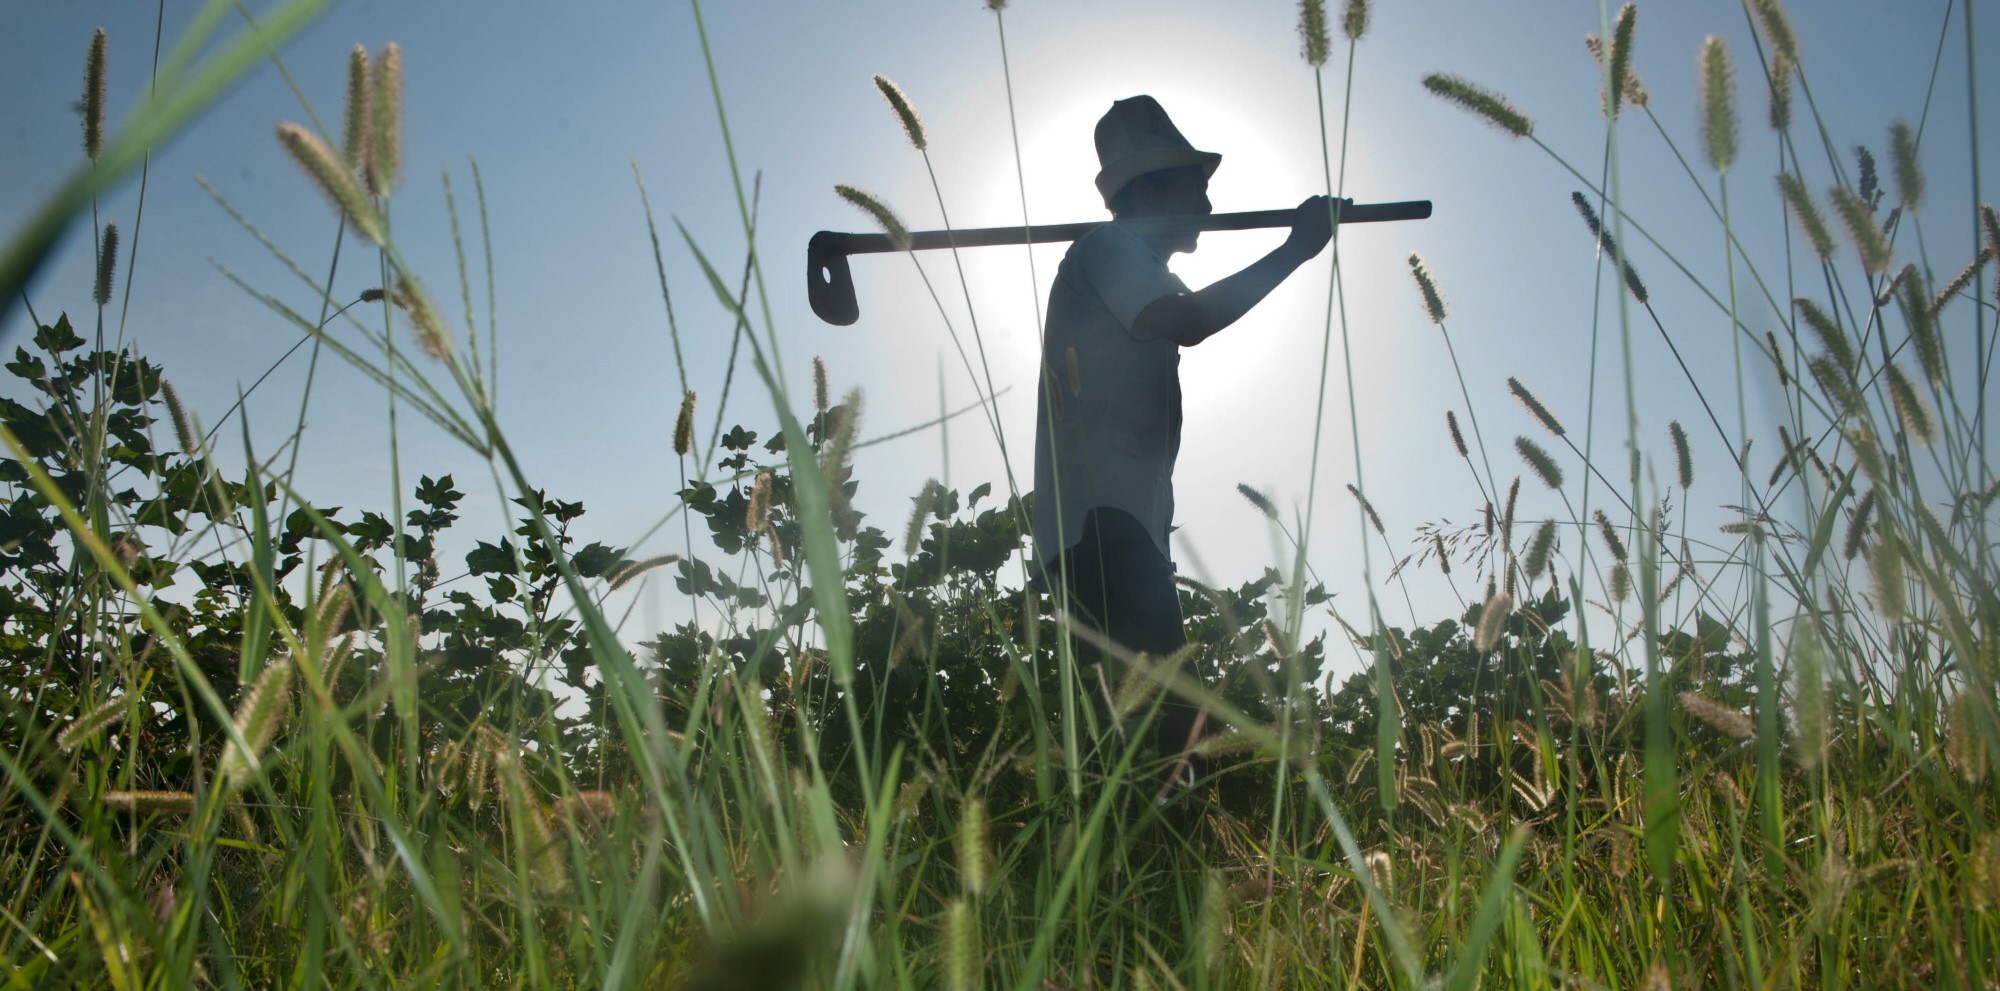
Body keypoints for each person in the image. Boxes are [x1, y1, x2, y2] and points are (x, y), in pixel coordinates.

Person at [1032, 95, 1335, 785]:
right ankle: (1170, 874)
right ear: (1153, 189)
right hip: (1100, 534)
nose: (1205, 199)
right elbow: (1191, 319)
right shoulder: (1107, 248)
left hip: (1113, 533)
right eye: (1194, 183)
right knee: (1177, 739)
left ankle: (1138, 879)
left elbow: (1183, 309)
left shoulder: (1132, 265)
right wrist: (1296, 248)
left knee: (1143, 747)